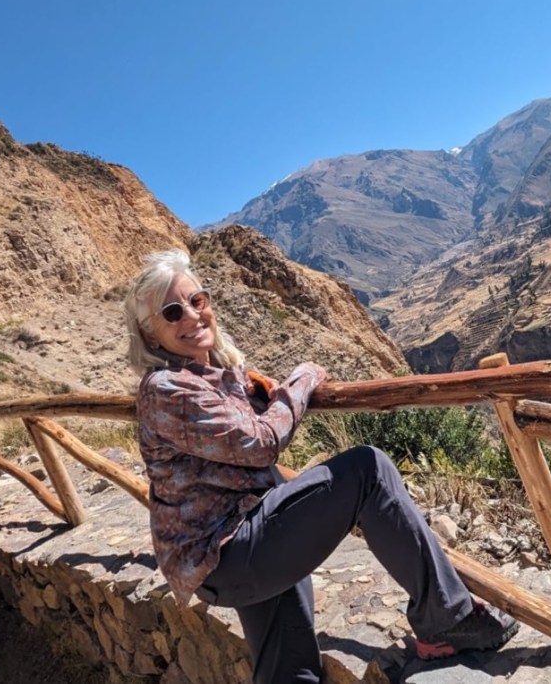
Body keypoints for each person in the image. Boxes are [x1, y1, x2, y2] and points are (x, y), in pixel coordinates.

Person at [124, 249, 518, 683]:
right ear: (150, 333)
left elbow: (233, 425)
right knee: (368, 470)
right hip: (228, 552)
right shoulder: (167, 389)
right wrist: (305, 379)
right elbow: (260, 443)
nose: (192, 315)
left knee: (289, 674)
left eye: (197, 300)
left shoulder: (205, 374)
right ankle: (446, 619)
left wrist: (258, 387)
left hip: (232, 549)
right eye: (173, 312)